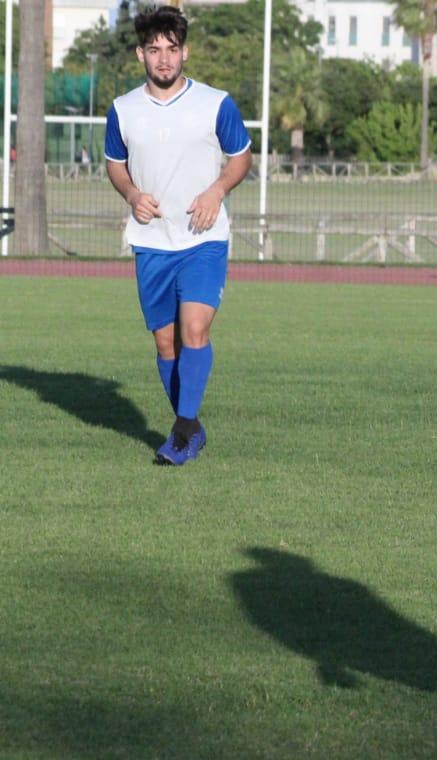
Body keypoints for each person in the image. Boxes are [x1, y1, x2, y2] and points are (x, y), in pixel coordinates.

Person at [104, 5, 252, 466]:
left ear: (185, 51)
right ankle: (190, 427)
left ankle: (182, 432)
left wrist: (217, 190)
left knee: (194, 329)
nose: (164, 59)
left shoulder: (216, 103)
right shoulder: (123, 110)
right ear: (140, 54)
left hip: (203, 238)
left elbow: (241, 157)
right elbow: (115, 164)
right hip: (152, 241)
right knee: (166, 343)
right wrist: (131, 194)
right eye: (154, 50)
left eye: (172, 49)